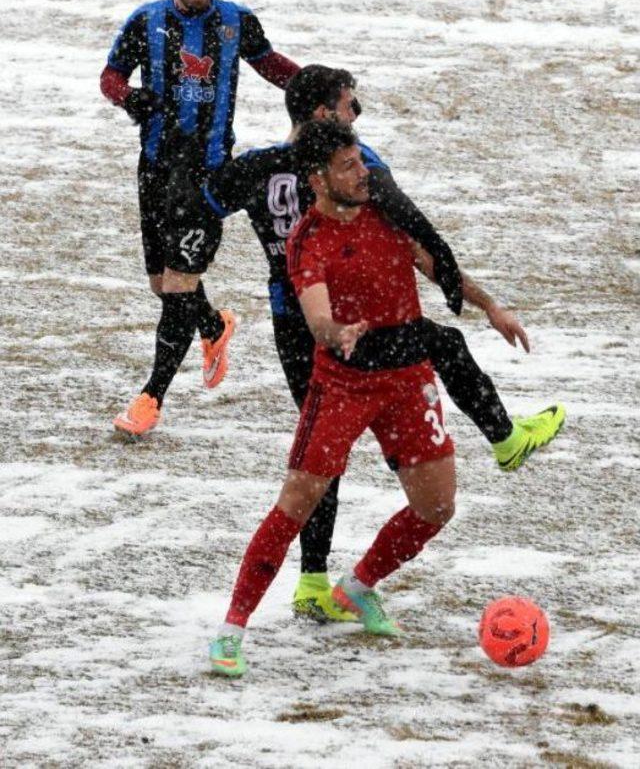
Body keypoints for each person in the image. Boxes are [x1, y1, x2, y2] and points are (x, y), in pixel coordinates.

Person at [170, 65, 562, 624]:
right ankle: (503, 438)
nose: (358, 117)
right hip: (344, 326)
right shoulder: (358, 172)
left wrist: (184, 262)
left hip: (296, 328)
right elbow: (415, 229)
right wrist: (458, 285)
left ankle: (314, 579)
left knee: (322, 465)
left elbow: (199, 204)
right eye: (352, 106)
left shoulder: (257, 168)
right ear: (326, 115)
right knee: (321, 463)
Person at [100, 0, 300, 436]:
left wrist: (317, 87)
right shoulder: (146, 22)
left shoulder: (236, 22)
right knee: (161, 284)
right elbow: (110, 77)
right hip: (155, 168)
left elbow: (272, 65)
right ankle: (214, 326)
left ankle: (150, 398)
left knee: (178, 285)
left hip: (210, 176)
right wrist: (130, 98)